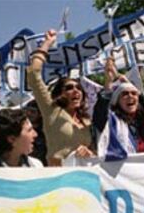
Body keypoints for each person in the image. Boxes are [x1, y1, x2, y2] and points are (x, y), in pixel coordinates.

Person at [27, 29, 94, 166]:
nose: (76, 91)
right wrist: (47, 43)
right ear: (59, 94)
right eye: (69, 88)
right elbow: (33, 74)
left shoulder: (86, 120)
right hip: (58, 177)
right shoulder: (52, 110)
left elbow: (95, 151)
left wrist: (90, 153)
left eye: (78, 88)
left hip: (85, 178)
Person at [93, 57, 144, 156]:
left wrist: (125, 81)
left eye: (134, 93)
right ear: (117, 101)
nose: (130, 96)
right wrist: (108, 82)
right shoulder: (111, 122)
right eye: (125, 94)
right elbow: (100, 112)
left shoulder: (143, 121)